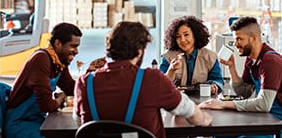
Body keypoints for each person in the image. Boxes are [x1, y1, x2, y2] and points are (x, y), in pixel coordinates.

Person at [74, 21, 212, 138]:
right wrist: (204, 119)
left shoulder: (84, 83)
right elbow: (187, 110)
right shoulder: (151, 79)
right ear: (140, 51)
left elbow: (80, 123)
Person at [199, 16, 282, 138]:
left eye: (239, 39)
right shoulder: (251, 60)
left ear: (254, 38)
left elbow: (264, 104)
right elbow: (244, 92)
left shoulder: (271, 61)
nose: (235, 44)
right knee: (219, 135)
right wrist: (232, 67)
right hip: (268, 119)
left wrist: (222, 104)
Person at [4, 22, 83, 138]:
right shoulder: (41, 59)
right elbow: (47, 105)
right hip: (20, 123)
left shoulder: (59, 62)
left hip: (37, 120)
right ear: (58, 44)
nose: (76, 51)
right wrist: (60, 99)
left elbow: (71, 89)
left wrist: (90, 76)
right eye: (73, 46)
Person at [159, 15, 224, 95]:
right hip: (175, 100)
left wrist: (214, 86)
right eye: (178, 36)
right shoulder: (168, 57)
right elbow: (161, 84)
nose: (182, 40)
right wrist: (172, 69)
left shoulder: (210, 56)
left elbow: (217, 79)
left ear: (195, 35)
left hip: (203, 100)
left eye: (186, 35)